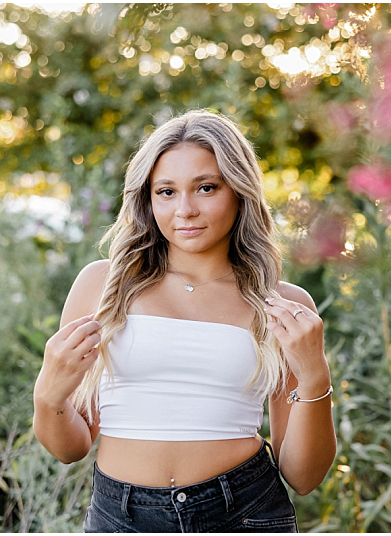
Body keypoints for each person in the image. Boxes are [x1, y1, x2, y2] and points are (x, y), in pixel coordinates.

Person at [32, 109, 337, 533]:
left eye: (206, 187)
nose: (186, 209)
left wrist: (314, 376)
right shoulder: (102, 287)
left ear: (239, 191)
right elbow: (70, 448)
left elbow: (304, 476)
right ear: (148, 199)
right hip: (120, 518)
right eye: (167, 192)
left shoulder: (283, 305)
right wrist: (48, 396)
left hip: (244, 513)